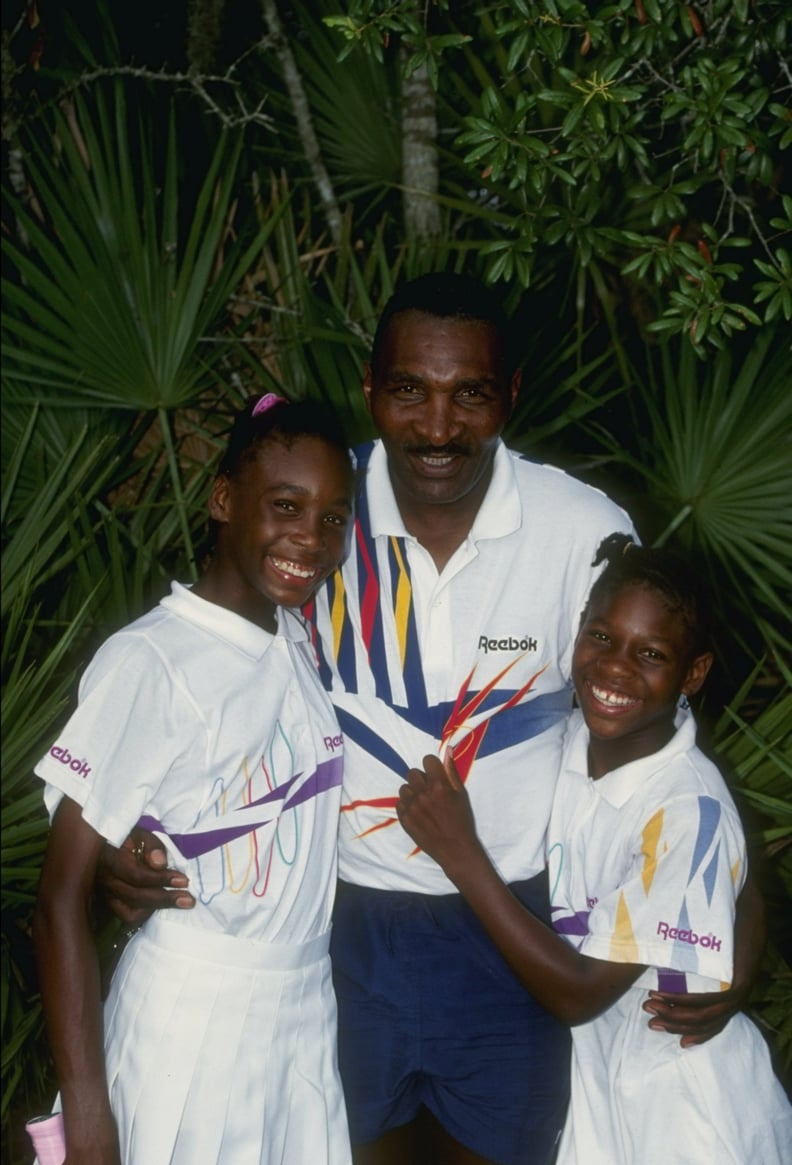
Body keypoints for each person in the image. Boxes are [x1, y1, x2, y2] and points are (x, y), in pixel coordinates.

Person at [96, 275, 762, 1165]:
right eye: (410, 390)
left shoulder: (581, 527)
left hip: (514, 934)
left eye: (470, 394)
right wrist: (136, 839)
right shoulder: (320, 510)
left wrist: (742, 929)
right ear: (372, 390)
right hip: (340, 933)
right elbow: (216, 678)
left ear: (509, 395)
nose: (439, 427)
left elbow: (663, 756)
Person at [396, 534, 792, 1164]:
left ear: (693, 672)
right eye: (602, 637)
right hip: (597, 1087)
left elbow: (580, 993)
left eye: (652, 653)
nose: (615, 668)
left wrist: (461, 855)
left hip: (681, 1101)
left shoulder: (687, 809)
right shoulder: (571, 738)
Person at [32, 396, 356, 1165]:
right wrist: (87, 1116)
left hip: (303, 1013)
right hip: (195, 1017)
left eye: (334, 518)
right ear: (222, 500)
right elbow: (57, 899)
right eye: (286, 506)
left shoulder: (294, 636)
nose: (310, 539)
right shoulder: (153, 660)